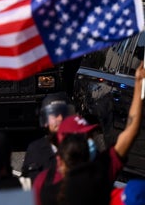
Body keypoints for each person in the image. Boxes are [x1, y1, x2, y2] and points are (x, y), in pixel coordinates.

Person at [33, 64, 145, 205]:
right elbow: (131, 130)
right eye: (85, 137)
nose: (90, 141)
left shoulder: (43, 182)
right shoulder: (99, 172)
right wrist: (138, 85)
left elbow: (130, 130)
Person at [21, 92, 74, 183]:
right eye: (55, 114)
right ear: (45, 119)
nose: (60, 118)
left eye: (64, 113)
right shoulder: (35, 149)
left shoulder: (82, 144)